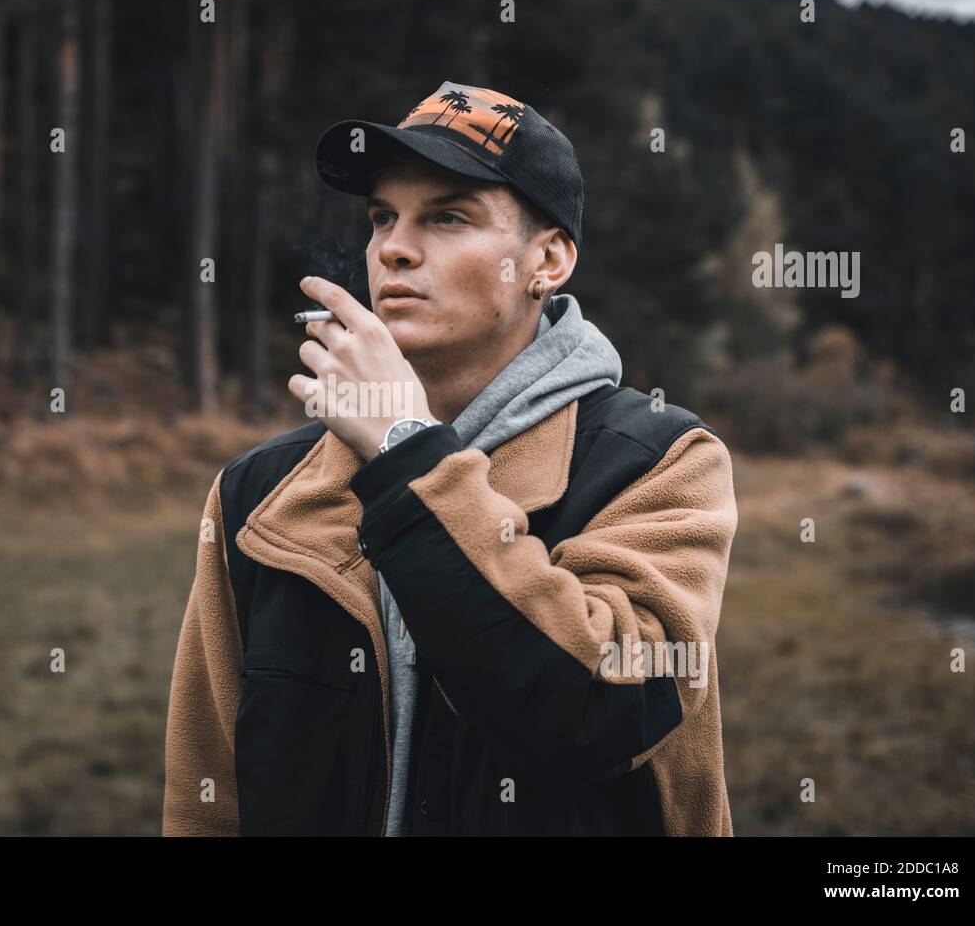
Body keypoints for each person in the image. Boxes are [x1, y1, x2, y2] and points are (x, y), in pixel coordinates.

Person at [162, 80, 739, 836]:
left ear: (550, 261)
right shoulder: (257, 494)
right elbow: (207, 797)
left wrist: (406, 450)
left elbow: (595, 713)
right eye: (382, 218)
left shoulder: (661, 461)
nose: (393, 248)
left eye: (448, 217)